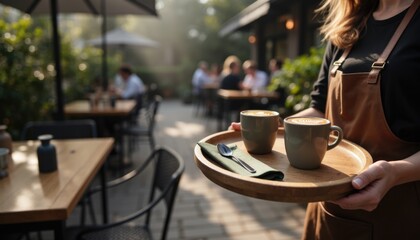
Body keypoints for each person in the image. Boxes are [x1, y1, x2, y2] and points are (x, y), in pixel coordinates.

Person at [232, 0, 420, 239]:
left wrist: (396, 172)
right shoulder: (349, 23)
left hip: (398, 211)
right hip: (329, 204)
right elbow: (319, 110)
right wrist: (274, 129)